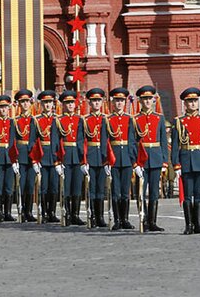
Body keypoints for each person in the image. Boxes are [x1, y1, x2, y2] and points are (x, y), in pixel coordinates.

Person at [171, 87, 200, 235]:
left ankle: (198, 224)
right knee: (188, 195)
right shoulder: (179, 122)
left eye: (195, 101)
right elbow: (175, 145)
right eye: (190, 101)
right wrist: (176, 164)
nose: (193, 104)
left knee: (199, 195)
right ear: (185, 103)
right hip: (186, 160)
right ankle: (189, 225)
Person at [133, 85, 168, 232]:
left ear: (153, 100)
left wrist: (165, 161)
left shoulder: (159, 118)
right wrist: (135, 163)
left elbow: (163, 141)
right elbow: (133, 143)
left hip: (155, 157)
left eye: (150, 99)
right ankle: (143, 219)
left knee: (154, 191)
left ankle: (152, 221)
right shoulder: (135, 119)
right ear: (140, 101)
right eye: (145, 99)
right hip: (141, 159)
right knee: (140, 191)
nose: (147, 102)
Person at [51, 90, 85, 226]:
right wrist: (57, 161)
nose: (70, 105)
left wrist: (84, 160)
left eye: (72, 102)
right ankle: (67, 214)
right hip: (64, 157)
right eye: (67, 103)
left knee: (76, 187)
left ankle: (75, 214)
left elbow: (82, 140)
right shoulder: (58, 121)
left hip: (77, 157)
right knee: (66, 188)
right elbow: (55, 141)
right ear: (63, 105)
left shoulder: (79, 120)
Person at [104, 88, 137, 230]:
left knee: (125, 191)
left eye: (122, 101)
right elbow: (104, 142)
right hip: (114, 158)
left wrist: (134, 160)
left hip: (127, 159)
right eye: (117, 100)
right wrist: (106, 161)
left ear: (124, 102)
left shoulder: (130, 119)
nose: (119, 103)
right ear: (113, 102)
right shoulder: (107, 119)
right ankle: (117, 219)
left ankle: (125, 219)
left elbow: (132, 141)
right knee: (115, 191)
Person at [32, 90, 59, 223]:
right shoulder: (37, 120)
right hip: (42, 156)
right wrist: (35, 160)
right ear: (41, 104)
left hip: (54, 157)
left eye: (50, 102)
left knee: (53, 186)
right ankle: (43, 212)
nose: (48, 105)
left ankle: (52, 212)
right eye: (45, 103)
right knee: (43, 187)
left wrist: (60, 159)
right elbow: (33, 141)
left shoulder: (57, 120)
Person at [82, 88, 107, 228]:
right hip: (91, 156)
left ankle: (100, 216)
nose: (96, 103)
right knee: (91, 189)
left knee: (101, 189)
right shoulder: (85, 120)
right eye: (94, 101)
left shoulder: (106, 119)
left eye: (98, 100)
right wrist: (83, 160)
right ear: (89, 103)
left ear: (102, 102)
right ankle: (92, 216)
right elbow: (82, 141)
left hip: (102, 157)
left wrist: (108, 159)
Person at [13, 89, 38, 222]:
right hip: (21, 155)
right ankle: (21, 211)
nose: (25, 104)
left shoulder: (35, 120)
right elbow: (13, 140)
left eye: (27, 101)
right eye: (22, 102)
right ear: (19, 104)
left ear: (31, 103)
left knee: (30, 185)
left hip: (32, 155)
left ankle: (29, 211)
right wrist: (14, 158)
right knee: (21, 184)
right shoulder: (15, 121)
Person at [0, 95, 16, 222]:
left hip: (10, 156)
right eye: (1, 107)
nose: (3, 110)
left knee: (9, 186)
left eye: (5, 107)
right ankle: (0, 211)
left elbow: (15, 141)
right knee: (0, 186)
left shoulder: (13, 122)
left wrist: (15, 159)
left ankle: (8, 212)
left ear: (9, 108)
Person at [163, 121, 176, 198]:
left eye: (168, 128)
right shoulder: (161, 137)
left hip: (171, 160)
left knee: (171, 177)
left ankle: (171, 192)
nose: (167, 130)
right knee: (164, 178)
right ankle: (164, 192)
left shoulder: (172, 137)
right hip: (164, 160)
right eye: (165, 128)